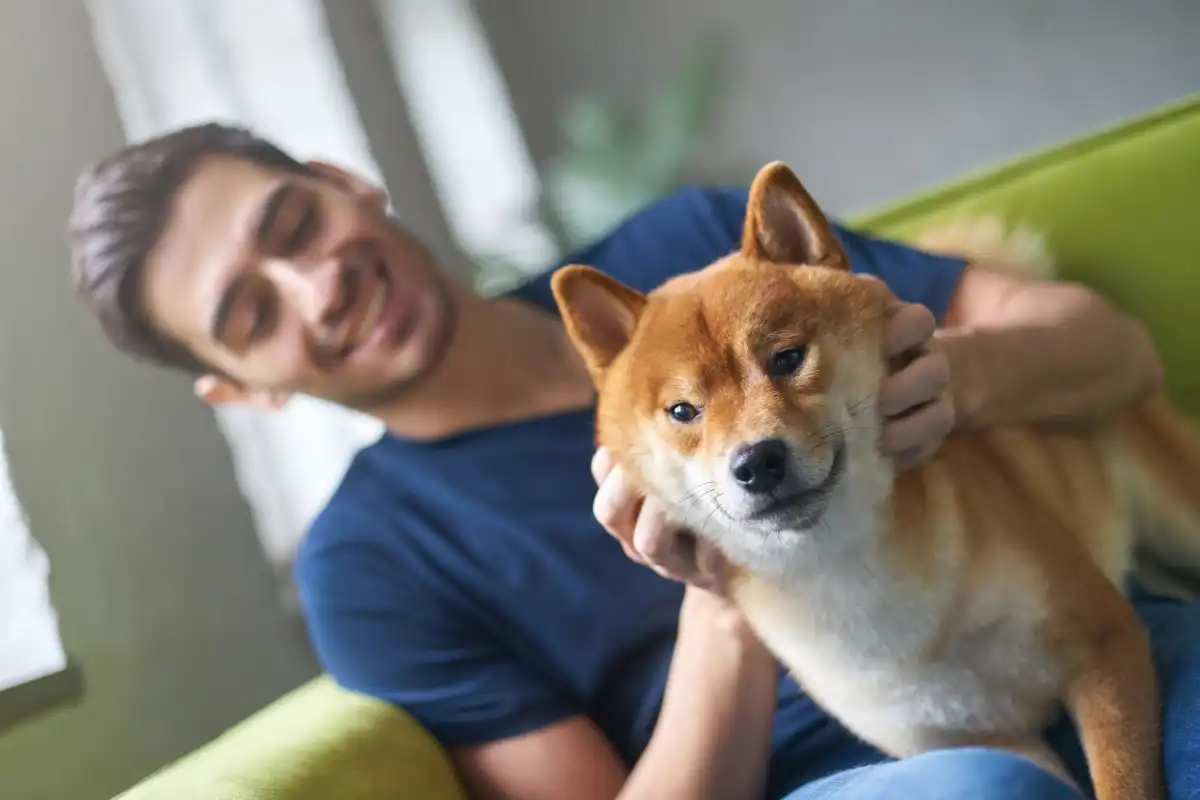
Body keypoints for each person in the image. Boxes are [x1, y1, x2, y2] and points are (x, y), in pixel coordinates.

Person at [66, 123, 1196, 800]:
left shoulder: (694, 254)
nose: (320, 286)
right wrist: (728, 587)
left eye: (292, 225)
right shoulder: (371, 564)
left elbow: (1115, 353)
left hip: (1072, 619)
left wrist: (956, 379)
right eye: (253, 312)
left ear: (340, 178)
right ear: (242, 387)